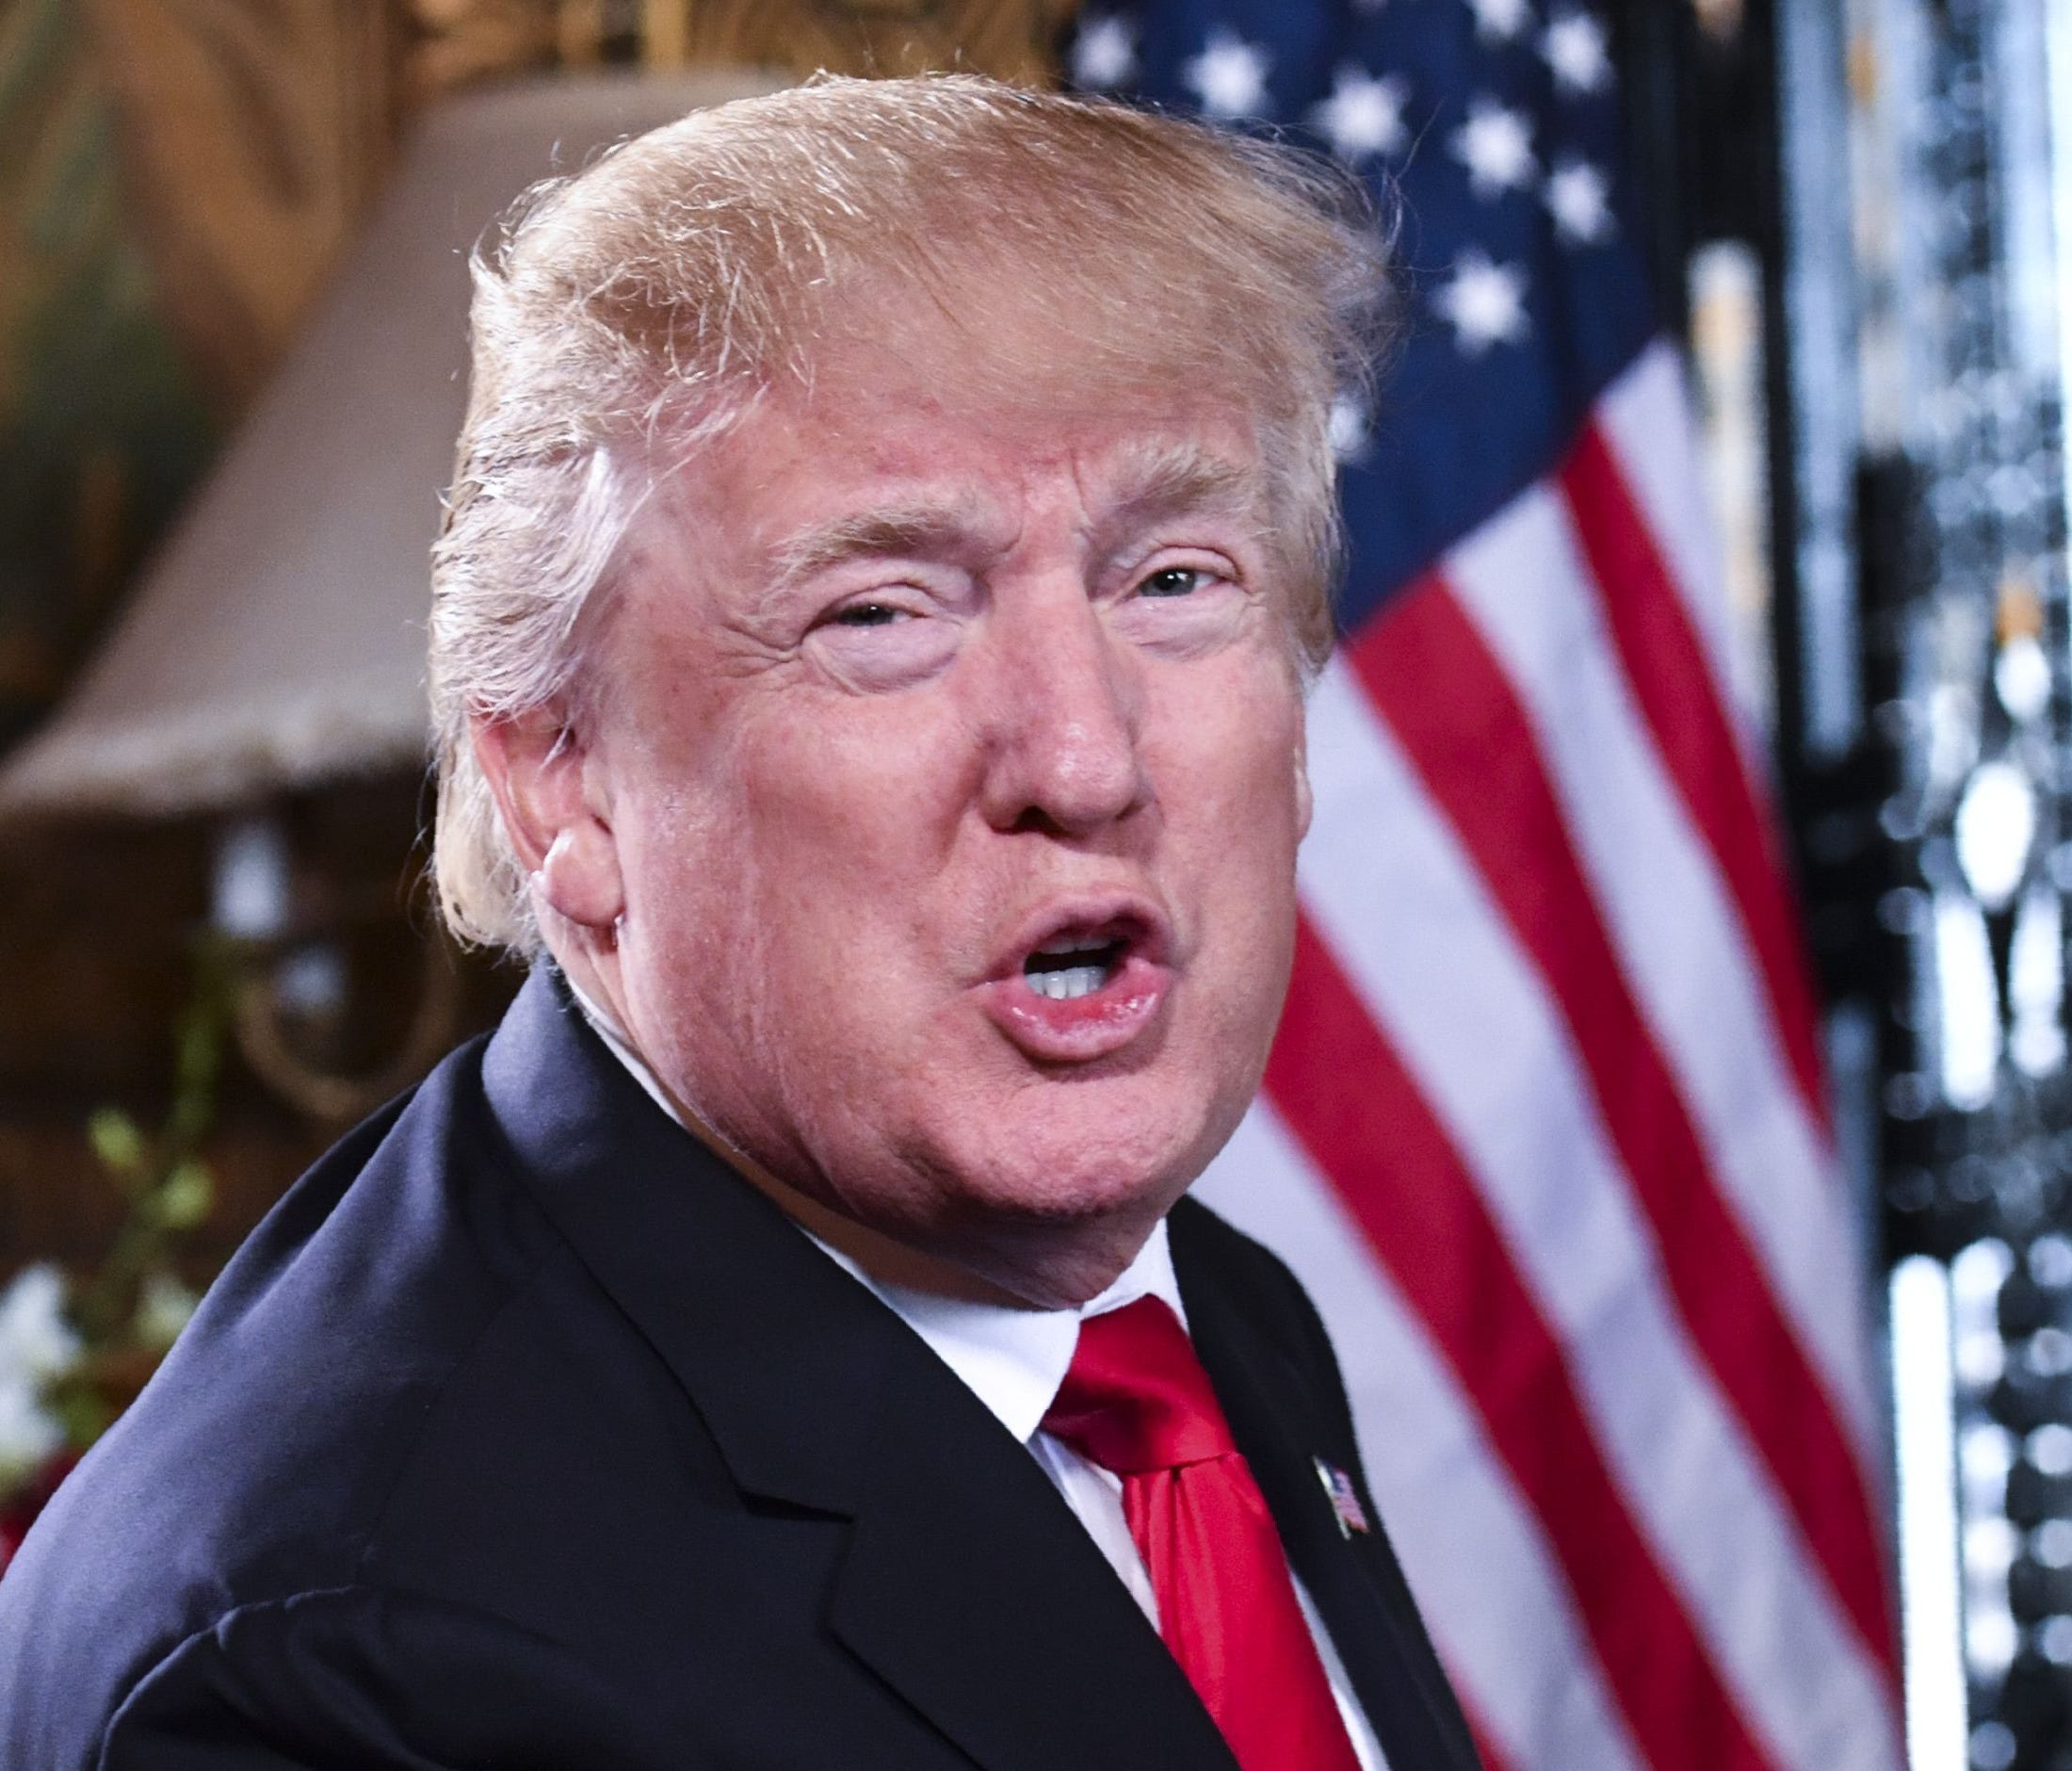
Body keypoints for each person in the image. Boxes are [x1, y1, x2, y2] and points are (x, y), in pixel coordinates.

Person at [0, 74, 1481, 1770]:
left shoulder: (1191, 1316)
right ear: (562, 782)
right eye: (884, 613)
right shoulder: (343, 1666)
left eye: (1172, 581)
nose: (1085, 761)